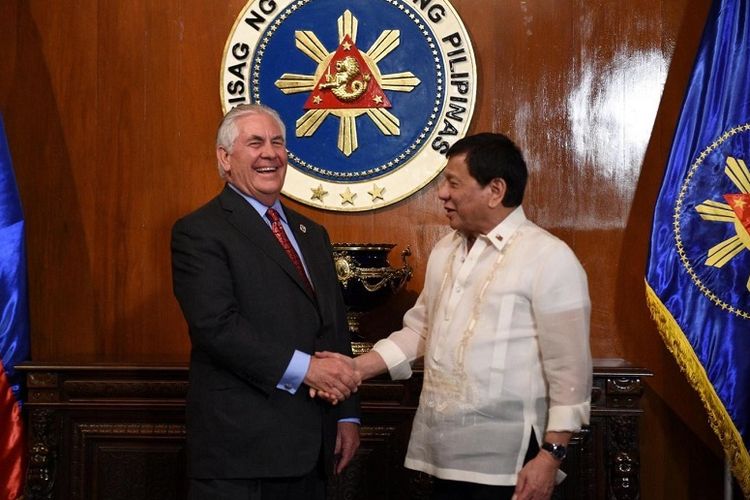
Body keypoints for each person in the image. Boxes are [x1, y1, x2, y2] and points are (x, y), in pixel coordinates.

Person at [317, 133, 592, 500]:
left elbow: (571, 371)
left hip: (510, 462)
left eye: (453, 182)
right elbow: (421, 330)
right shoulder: (446, 250)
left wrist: (551, 456)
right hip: (443, 453)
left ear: (495, 190)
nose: (442, 193)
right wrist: (356, 370)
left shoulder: (549, 258)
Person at [171, 103, 361, 500]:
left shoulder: (313, 233)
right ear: (225, 158)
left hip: (313, 448)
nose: (270, 153)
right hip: (241, 455)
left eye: (277, 142)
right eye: (255, 142)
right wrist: (306, 370)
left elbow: (334, 324)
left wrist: (346, 413)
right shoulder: (199, 231)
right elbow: (216, 327)